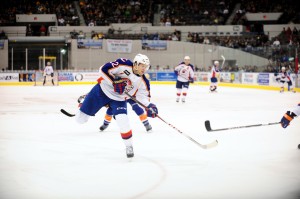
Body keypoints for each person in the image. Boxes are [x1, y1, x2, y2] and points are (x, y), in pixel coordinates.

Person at [74, 54, 158, 158]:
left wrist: (149, 106)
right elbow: (103, 69)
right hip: (102, 91)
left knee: (123, 120)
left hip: (119, 99)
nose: (144, 68)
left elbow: (142, 97)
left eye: (146, 66)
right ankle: (83, 102)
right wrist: (114, 82)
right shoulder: (124, 64)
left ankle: (129, 146)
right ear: (135, 64)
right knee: (80, 120)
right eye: (142, 65)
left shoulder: (143, 81)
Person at [77, 94, 153, 132]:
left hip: (130, 95)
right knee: (110, 110)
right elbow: (100, 88)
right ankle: (105, 124)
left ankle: (146, 123)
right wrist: (87, 95)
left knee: (137, 108)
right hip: (118, 96)